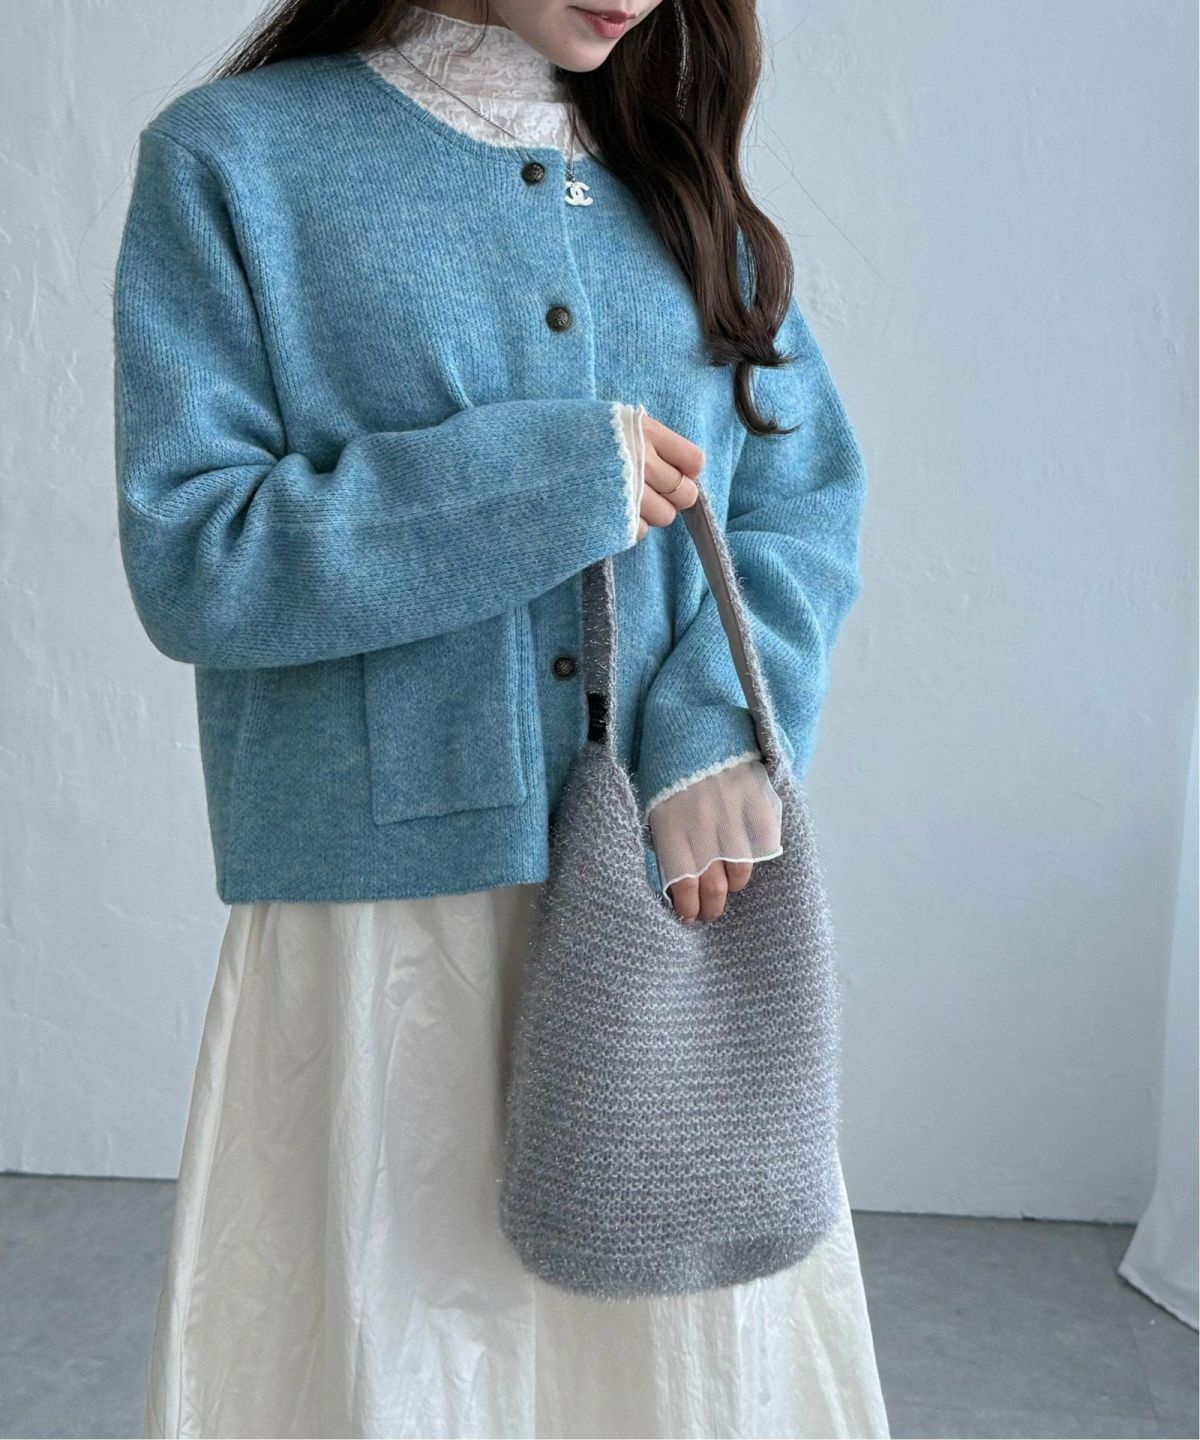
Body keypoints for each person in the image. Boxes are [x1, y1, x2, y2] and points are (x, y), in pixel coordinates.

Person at [113, 1, 889, 1434]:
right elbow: (198, 558)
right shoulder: (233, 165)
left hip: (663, 912)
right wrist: (540, 482)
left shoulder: (674, 177)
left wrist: (714, 727)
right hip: (383, 942)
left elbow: (800, 499)